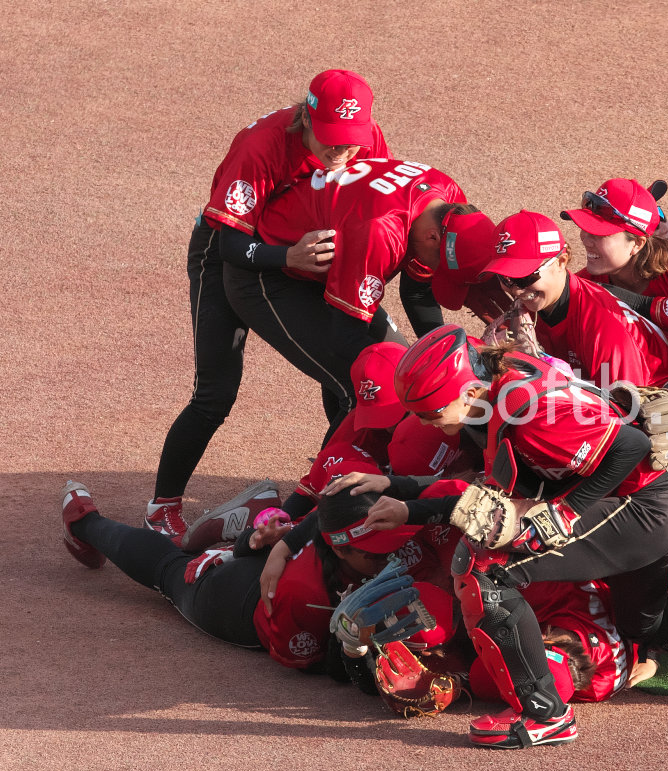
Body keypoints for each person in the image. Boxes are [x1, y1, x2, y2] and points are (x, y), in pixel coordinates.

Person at [339, 324, 668, 749]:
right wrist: (402, 493)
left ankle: (544, 714)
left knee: (482, 569)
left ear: (468, 393)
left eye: (429, 412)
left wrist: (566, 512)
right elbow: (499, 488)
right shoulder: (502, 384)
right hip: (648, 500)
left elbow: (630, 446)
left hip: (639, 507)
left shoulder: (528, 412)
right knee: (643, 620)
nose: (426, 423)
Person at [148, 69, 392, 538]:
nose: (341, 153)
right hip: (229, 254)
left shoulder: (366, 140)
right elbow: (228, 247)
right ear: (305, 117)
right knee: (215, 393)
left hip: (312, 255)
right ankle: (161, 507)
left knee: (345, 372)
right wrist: (288, 255)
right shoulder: (261, 147)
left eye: (351, 141)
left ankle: (324, 499)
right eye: (330, 141)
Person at [59, 480, 428, 676]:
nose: (388, 556)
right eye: (375, 552)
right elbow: (300, 661)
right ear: (343, 550)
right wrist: (353, 649)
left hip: (278, 548)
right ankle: (84, 519)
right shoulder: (303, 594)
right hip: (236, 602)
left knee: (261, 540)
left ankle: (251, 529)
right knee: (168, 568)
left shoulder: (342, 528)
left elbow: (328, 509)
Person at [225, 158, 470, 441]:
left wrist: (442, 360)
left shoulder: (446, 205)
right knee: (374, 389)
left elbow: (417, 291)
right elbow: (346, 338)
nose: (439, 272)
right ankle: (324, 479)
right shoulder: (382, 231)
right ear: (433, 238)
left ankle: (363, 467)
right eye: (442, 264)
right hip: (271, 274)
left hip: (330, 268)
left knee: (397, 378)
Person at [480, 210, 668, 388]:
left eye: (527, 276)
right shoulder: (530, 311)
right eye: (505, 278)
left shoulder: (605, 328)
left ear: (562, 261)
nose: (516, 290)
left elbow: (629, 420)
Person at [559, 178, 668, 360]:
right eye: (585, 228)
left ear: (637, 243)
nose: (585, 240)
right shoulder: (582, 285)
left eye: (599, 234)